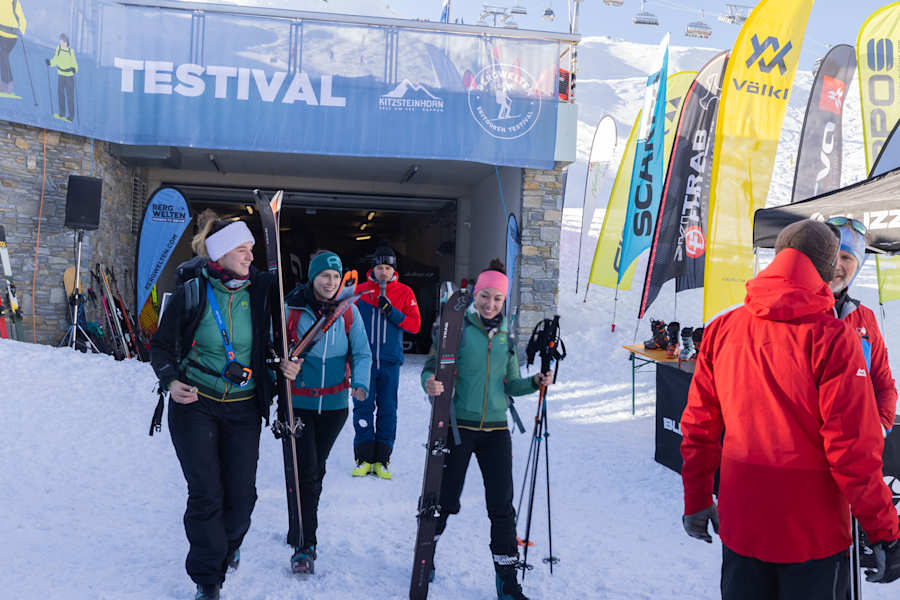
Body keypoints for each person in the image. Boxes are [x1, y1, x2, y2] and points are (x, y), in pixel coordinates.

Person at [680, 219, 900, 600]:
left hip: (744, 524)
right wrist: (886, 532)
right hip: (812, 535)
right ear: (826, 267)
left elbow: (699, 427)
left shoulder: (722, 329)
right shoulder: (833, 339)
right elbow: (852, 453)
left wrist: (697, 498)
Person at [150, 210, 300, 600]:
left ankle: (227, 544)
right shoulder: (192, 293)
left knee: (242, 496)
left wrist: (283, 363)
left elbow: (274, 344)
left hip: (243, 408)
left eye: (252, 249)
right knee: (205, 493)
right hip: (195, 404)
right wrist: (170, 380)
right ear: (220, 254)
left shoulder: (261, 293)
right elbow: (162, 346)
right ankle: (208, 579)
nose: (251, 256)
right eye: (243, 249)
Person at [422, 259, 553, 600]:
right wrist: (431, 384)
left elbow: (510, 384)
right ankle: (427, 554)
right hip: (458, 426)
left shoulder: (507, 336)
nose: (490, 303)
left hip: (496, 430)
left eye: (496, 298)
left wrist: (535, 382)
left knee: (501, 506)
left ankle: (507, 580)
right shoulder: (456, 328)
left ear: (503, 301)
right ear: (475, 296)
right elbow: (430, 368)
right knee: (446, 499)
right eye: (484, 296)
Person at [283, 250, 372, 574]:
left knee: (315, 471)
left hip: (335, 408)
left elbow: (362, 351)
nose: (331, 282)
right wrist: (281, 367)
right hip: (299, 405)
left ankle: (299, 525)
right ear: (312, 277)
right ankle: (305, 546)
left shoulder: (348, 312)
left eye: (336, 277)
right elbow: (272, 348)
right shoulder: (291, 309)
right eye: (325, 276)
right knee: (306, 472)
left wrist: (360, 382)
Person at [352, 243, 421, 479]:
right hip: (364, 363)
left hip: (390, 363)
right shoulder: (359, 291)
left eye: (388, 268)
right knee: (362, 407)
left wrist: (392, 312)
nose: (384, 273)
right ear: (373, 269)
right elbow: (344, 324)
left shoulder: (405, 292)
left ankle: (382, 459)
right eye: (380, 268)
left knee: (388, 410)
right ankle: (363, 458)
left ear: (394, 271)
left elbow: (415, 325)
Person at [826, 216, 897, 432]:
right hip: (801, 448)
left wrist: (880, 427)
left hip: (850, 447)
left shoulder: (864, 318)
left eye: (847, 257)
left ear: (858, 266)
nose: (837, 264)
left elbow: (884, 385)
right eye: (832, 255)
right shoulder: (793, 309)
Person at [46, 33, 77, 121]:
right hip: (61, 75)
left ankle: (71, 116)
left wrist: (74, 69)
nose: (60, 42)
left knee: (70, 96)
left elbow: (74, 63)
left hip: (69, 76)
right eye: (60, 40)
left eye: (62, 41)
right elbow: (56, 59)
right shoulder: (58, 49)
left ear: (65, 41)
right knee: (61, 95)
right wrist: (50, 63)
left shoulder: (71, 51)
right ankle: (62, 113)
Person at [0, 0, 25, 96]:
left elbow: (22, 19)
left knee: (3, 55)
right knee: (2, 56)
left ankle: (8, 83)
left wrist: (22, 31)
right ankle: (5, 84)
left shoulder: (15, 2)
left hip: (11, 36)